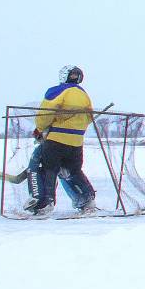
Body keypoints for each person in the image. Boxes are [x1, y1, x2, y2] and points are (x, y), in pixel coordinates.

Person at [25, 65, 97, 216]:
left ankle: (44, 203)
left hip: (56, 140)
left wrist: (40, 129)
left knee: (48, 169)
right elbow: (89, 117)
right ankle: (87, 200)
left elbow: (45, 115)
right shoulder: (84, 95)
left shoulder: (56, 91)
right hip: (76, 141)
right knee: (72, 171)